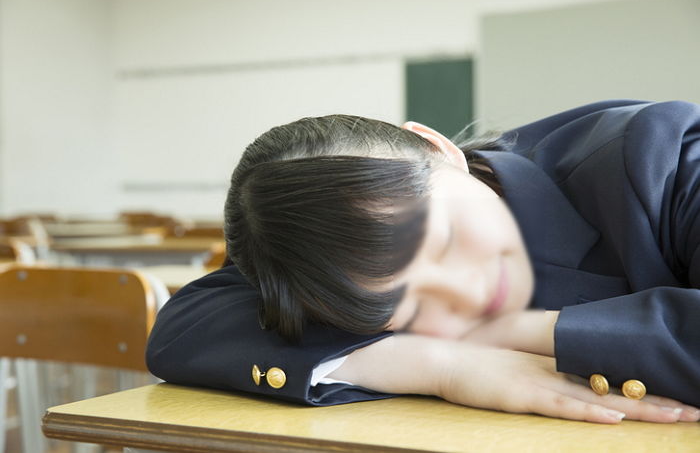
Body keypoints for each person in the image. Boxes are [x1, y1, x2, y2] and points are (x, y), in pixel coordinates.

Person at [146, 100, 700, 424]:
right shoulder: (332, 265)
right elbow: (183, 329)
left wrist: (515, 331)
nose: (467, 297)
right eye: (409, 305)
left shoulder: (665, 158)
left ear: (439, 150)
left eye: (447, 240)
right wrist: (439, 366)